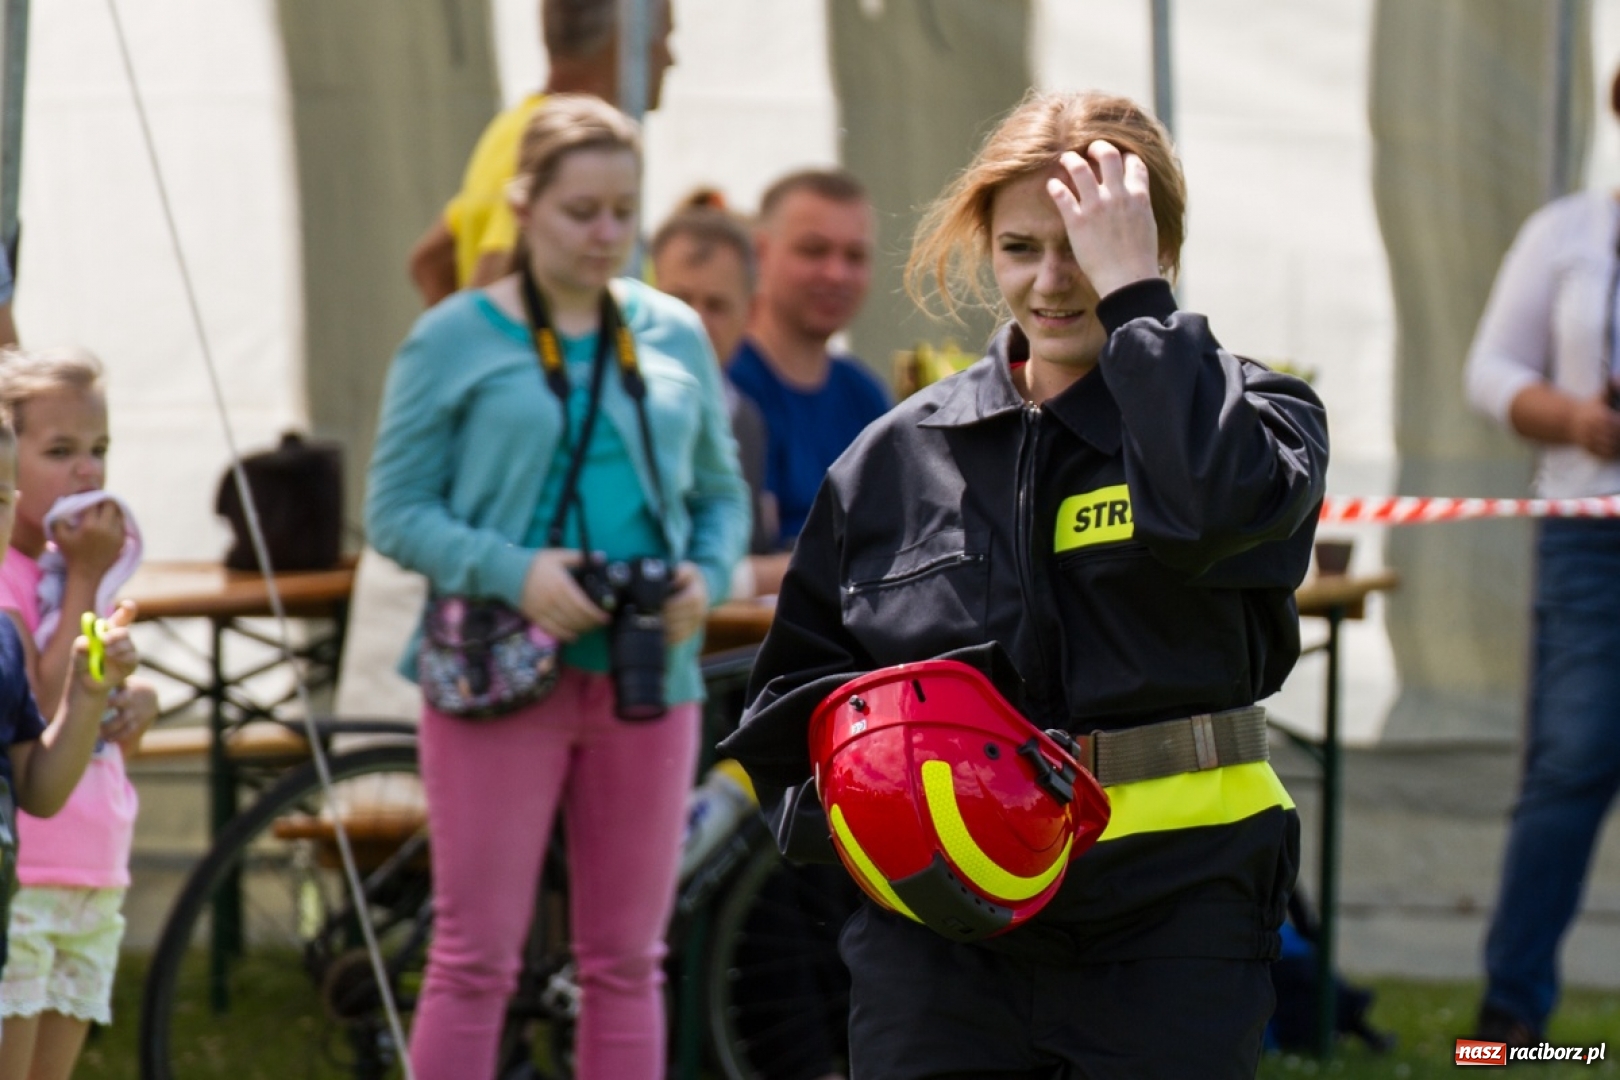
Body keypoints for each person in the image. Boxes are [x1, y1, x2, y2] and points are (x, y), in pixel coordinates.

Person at [718, 89, 1329, 1080]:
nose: (1051, 281)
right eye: (1020, 247)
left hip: (1177, 913)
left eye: (1085, 247)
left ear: (1155, 248)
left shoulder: (1256, 415)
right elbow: (793, 698)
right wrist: (892, 827)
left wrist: (1140, 307)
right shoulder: (893, 457)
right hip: (941, 939)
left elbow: (1217, 514)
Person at [367, 95, 748, 1080]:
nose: (606, 233)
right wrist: (516, 571)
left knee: (628, 962)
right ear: (523, 205)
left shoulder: (672, 332)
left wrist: (704, 579)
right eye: (581, 211)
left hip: (647, 674)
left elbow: (721, 495)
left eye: (624, 211)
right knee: (474, 959)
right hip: (497, 674)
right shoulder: (452, 338)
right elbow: (394, 511)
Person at [1461, 66, 1620, 1050]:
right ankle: (1511, 1017)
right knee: (1570, 762)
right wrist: (1574, 419)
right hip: (1589, 528)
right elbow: (1489, 370)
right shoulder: (1567, 232)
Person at [0, 346, 158, 1079]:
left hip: (95, 865)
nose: (88, 471)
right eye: (60, 452)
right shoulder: (15, 579)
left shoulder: (70, 572)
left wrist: (131, 706)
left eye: (99, 448)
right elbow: (35, 708)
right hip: (30, 870)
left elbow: (87, 723)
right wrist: (89, 577)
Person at [409, 0, 676, 305]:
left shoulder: (514, 128)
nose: (671, 59)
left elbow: (431, 262)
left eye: (622, 211)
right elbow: (496, 282)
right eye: (663, 37)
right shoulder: (555, 146)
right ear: (624, 41)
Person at [727, 168, 889, 551]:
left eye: (855, 256)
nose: (836, 274)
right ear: (760, 254)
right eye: (814, 251)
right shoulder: (728, 389)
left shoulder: (866, 397)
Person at [649, 190, 780, 591]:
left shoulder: (747, 418)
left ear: (751, 313)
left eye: (716, 305)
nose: (694, 321)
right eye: (679, 299)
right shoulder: (609, 401)